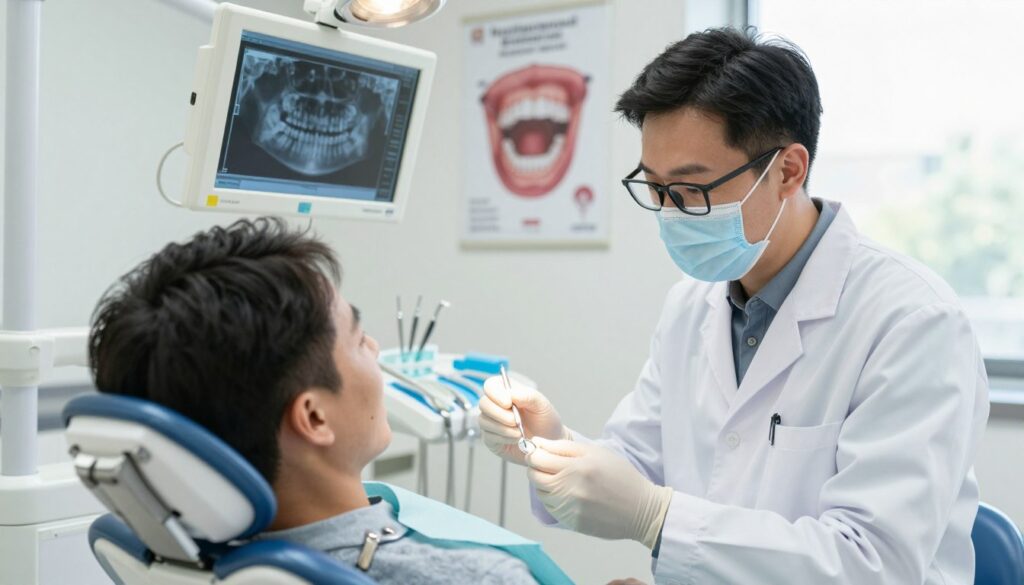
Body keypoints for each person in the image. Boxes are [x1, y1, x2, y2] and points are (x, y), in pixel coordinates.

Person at [479, 27, 989, 585]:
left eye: (692, 189)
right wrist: (552, 445)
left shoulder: (912, 322)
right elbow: (633, 470)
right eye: (654, 188)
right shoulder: (691, 306)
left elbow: (873, 564)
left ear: (788, 170)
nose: (670, 212)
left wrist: (658, 518)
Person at [87, 217, 551, 585]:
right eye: (358, 338)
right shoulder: (477, 578)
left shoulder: (174, 559)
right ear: (313, 416)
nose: (374, 349)